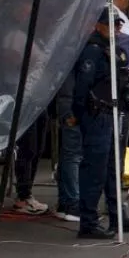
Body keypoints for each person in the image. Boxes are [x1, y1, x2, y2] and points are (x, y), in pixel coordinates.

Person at [73, 10, 129, 239]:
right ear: (98, 25)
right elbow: (83, 86)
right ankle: (89, 222)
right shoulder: (92, 50)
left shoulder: (113, 50)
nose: (115, 29)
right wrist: (78, 113)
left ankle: (116, 215)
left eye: (116, 25)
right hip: (97, 115)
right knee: (95, 170)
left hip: (111, 113)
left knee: (113, 168)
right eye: (110, 24)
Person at [53, 70, 82, 222]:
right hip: (74, 101)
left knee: (68, 154)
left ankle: (65, 203)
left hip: (66, 100)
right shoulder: (78, 49)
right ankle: (72, 203)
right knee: (74, 154)